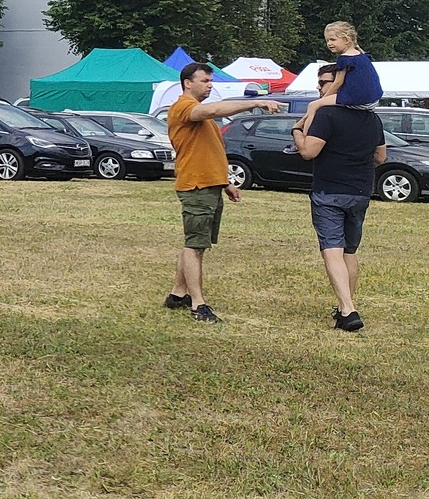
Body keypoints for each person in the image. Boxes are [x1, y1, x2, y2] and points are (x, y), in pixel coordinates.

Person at [164, 62, 283, 323]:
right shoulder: (184, 107)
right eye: (205, 81)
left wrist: (224, 182)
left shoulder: (201, 116)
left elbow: (206, 152)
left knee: (196, 243)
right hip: (196, 186)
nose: (210, 86)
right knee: (194, 245)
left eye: (211, 81)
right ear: (188, 83)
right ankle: (198, 304)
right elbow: (214, 109)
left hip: (209, 185)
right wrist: (255, 103)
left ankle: (178, 294)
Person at [291, 62, 385, 331]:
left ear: (339, 84)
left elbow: (308, 151)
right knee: (349, 251)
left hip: (329, 191)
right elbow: (381, 156)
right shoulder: (372, 118)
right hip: (360, 191)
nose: (319, 87)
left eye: (324, 82)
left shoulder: (327, 114)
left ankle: (347, 309)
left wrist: (296, 131)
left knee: (332, 250)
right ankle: (347, 305)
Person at [302, 21, 383, 127]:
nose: (329, 44)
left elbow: (337, 83)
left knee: (313, 105)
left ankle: (305, 130)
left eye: (333, 40)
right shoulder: (361, 55)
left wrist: (323, 99)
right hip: (372, 100)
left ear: (346, 40)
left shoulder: (345, 58)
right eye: (327, 40)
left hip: (357, 99)